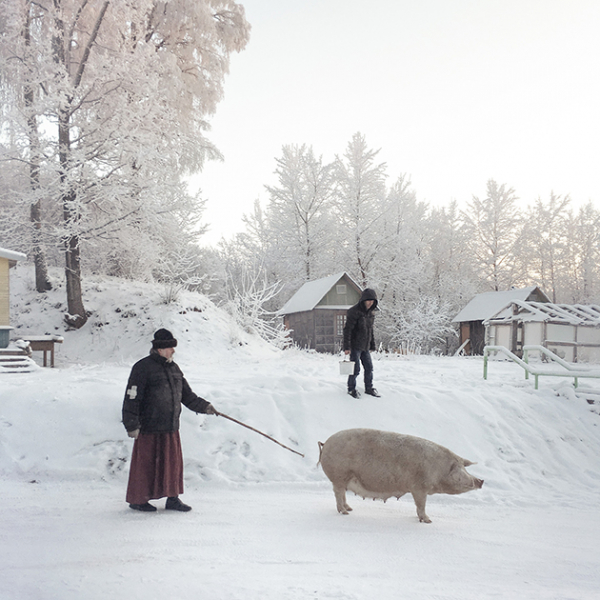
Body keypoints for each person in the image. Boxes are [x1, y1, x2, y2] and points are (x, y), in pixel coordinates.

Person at [122, 328, 217, 512]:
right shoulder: (142, 368)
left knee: (172, 466)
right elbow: (132, 397)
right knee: (146, 466)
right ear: (160, 349)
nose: (173, 351)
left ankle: (172, 499)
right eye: (171, 347)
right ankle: (138, 500)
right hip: (148, 427)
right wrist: (131, 424)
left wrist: (205, 407)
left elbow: (187, 396)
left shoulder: (174, 369)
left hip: (170, 426)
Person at [343, 288, 380, 398]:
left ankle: (369, 388)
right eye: (368, 300)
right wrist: (347, 346)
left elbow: (370, 330)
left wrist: (372, 344)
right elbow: (347, 330)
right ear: (363, 300)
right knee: (355, 369)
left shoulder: (370, 313)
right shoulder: (354, 311)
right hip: (355, 346)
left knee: (369, 367)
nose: (370, 303)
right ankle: (351, 389)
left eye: (372, 301)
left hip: (365, 346)